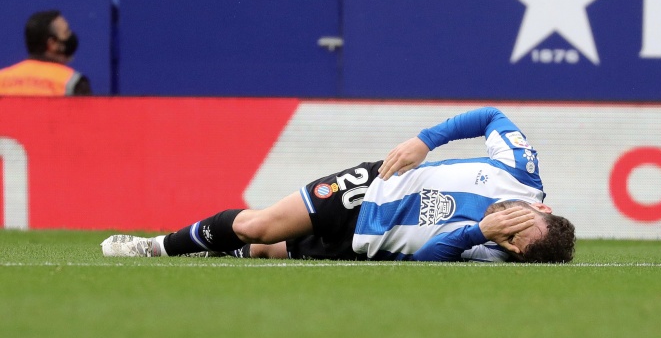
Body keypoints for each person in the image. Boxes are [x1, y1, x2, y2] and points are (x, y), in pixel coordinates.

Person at [102, 107, 576, 263]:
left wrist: (479, 233)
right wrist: (425, 141)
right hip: (373, 188)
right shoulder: (520, 171)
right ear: (543, 207)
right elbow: (491, 116)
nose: (505, 226)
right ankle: (156, 247)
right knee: (259, 226)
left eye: (512, 237)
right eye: (518, 220)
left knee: (265, 251)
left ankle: (213, 247)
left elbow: (426, 264)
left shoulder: (495, 251)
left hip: (367, 245)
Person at [0, 10, 91, 96]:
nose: (70, 36)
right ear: (52, 44)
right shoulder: (73, 83)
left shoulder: (2, 79)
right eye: (66, 32)